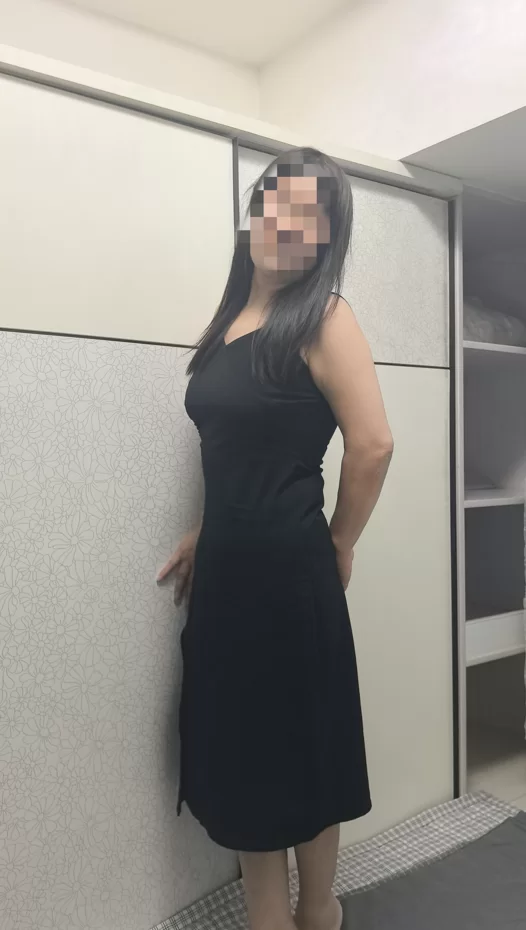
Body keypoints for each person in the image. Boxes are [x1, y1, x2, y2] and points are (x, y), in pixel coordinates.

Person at [158, 147, 393, 930]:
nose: (287, 223)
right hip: (227, 575)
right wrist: (208, 527)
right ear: (255, 208)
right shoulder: (231, 319)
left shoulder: (324, 316)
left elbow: (373, 445)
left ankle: (318, 909)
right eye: (276, 201)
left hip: (294, 576)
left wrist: (342, 540)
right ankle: (268, 916)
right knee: (243, 750)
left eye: (310, 216)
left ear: (326, 238)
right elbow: (240, 450)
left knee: (302, 749)